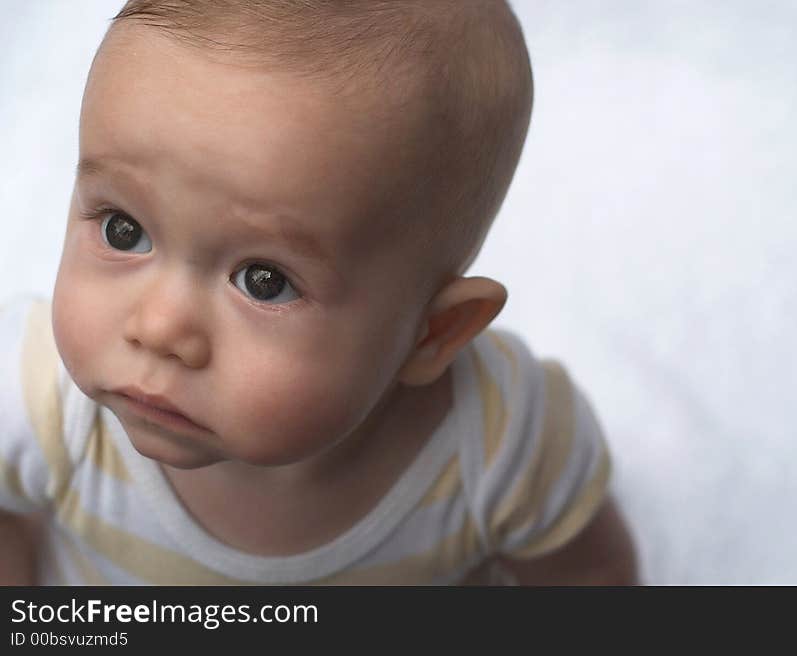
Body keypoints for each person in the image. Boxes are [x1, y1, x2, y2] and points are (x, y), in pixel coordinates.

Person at [0, 0, 637, 585]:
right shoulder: (36, 405)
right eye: (124, 229)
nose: (160, 327)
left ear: (432, 333)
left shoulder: (507, 444)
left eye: (264, 281)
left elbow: (592, 579)